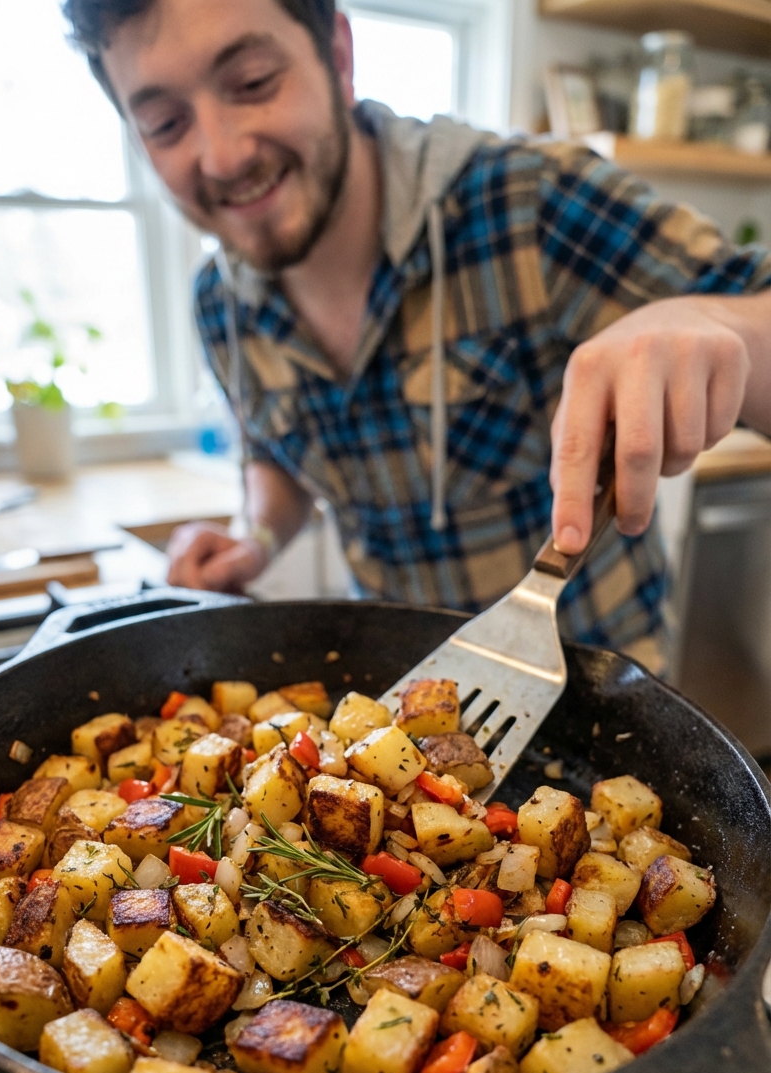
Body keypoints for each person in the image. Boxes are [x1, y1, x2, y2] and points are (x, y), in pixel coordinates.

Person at [65, 0, 771, 663]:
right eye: (164, 124)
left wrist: (717, 318)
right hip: (392, 711)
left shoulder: (529, 206)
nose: (221, 155)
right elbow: (279, 460)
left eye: (251, 82)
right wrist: (255, 539)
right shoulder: (218, 302)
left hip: (598, 713)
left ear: (338, 58)